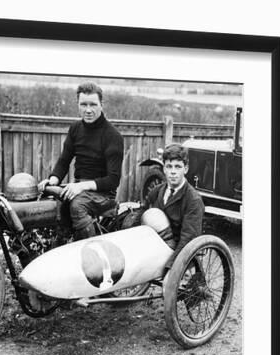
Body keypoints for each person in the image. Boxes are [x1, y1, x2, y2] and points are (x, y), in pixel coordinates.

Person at [38, 82, 124, 240]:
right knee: (45, 197)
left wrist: (81, 186)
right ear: (77, 104)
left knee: (77, 205)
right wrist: (52, 180)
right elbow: (64, 160)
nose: (88, 110)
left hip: (103, 194)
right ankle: (58, 242)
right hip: (79, 187)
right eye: (83, 104)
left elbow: (113, 180)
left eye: (93, 104)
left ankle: (91, 250)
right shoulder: (75, 129)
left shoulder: (113, 136)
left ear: (101, 105)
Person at [145, 143, 204, 269]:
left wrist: (171, 268)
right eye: (169, 166)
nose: (173, 172)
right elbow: (141, 214)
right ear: (164, 169)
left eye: (178, 167)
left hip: (178, 253)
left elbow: (188, 240)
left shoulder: (193, 200)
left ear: (186, 169)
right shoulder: (157, 191)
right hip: (155, 248)